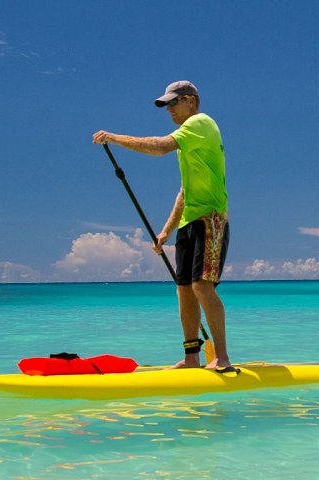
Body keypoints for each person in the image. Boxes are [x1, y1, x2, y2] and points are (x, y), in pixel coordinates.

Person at [92, 80, 234, 372]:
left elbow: (159, 147)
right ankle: (193, 358)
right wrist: (166, 232)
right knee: (184, 289)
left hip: (211, 219)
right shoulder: (189, 142)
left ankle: (221, 358)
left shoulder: (200, 123)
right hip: (189, 222)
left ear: (191, 101)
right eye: (166, 105)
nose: (168, 109)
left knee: (201, 286)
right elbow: (184, 192)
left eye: (173, 102)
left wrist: (115, 138)